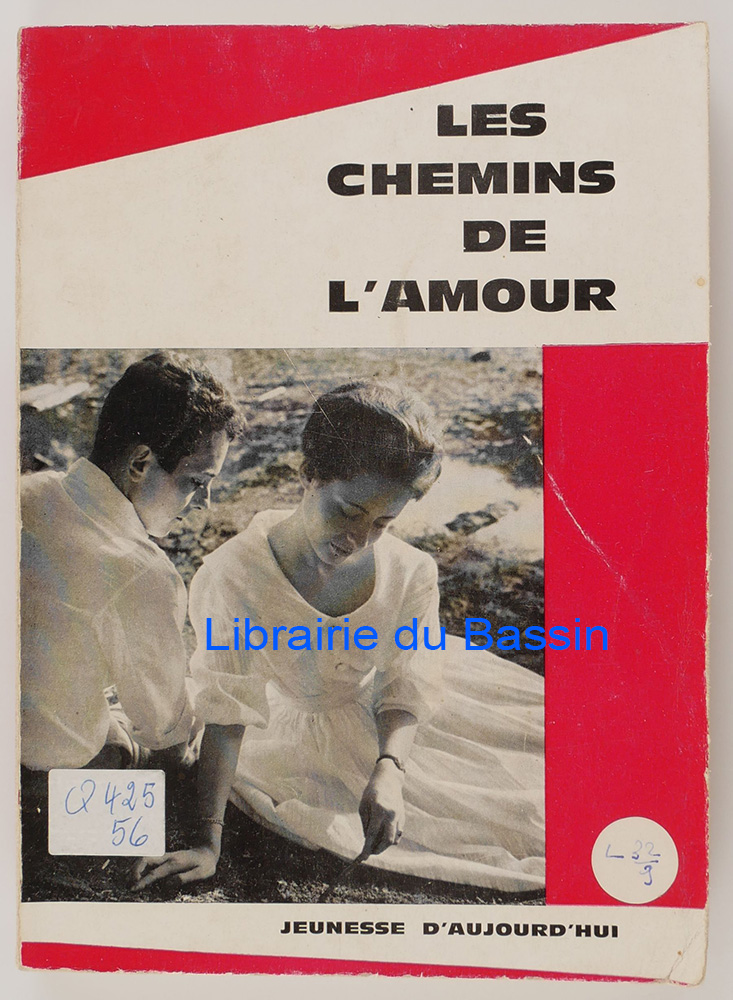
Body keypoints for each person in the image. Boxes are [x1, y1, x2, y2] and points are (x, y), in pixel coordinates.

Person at [133, 380, 544, 893]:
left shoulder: (410, 571)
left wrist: (390, 766)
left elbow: (404, 681)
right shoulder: (234, 574)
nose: (358, 539)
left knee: (528, 798)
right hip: (294, 734)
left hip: (388, 723)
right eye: (348, 511)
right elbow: (228, 711)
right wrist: (206, 842)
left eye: (383, 522)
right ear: (309, 475)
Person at [20, 351, 243, 772]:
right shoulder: (140, 572)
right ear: (140, 463)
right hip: (43, 787)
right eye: (196, 482)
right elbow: (168, 737)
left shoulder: (28, 492)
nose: (204, 503)